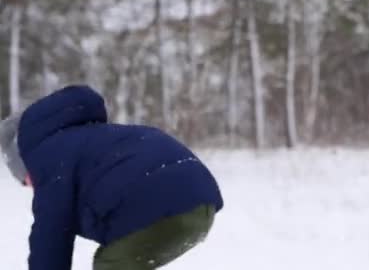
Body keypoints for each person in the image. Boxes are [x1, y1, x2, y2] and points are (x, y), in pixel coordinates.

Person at [0, 85, 223, 270]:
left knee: (111, 264)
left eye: (25, 179)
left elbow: (50, 237)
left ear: (23, 160)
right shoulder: (87, 140)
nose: (30, 186)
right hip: (199, 202)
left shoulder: (48, 157)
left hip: (163, 205)